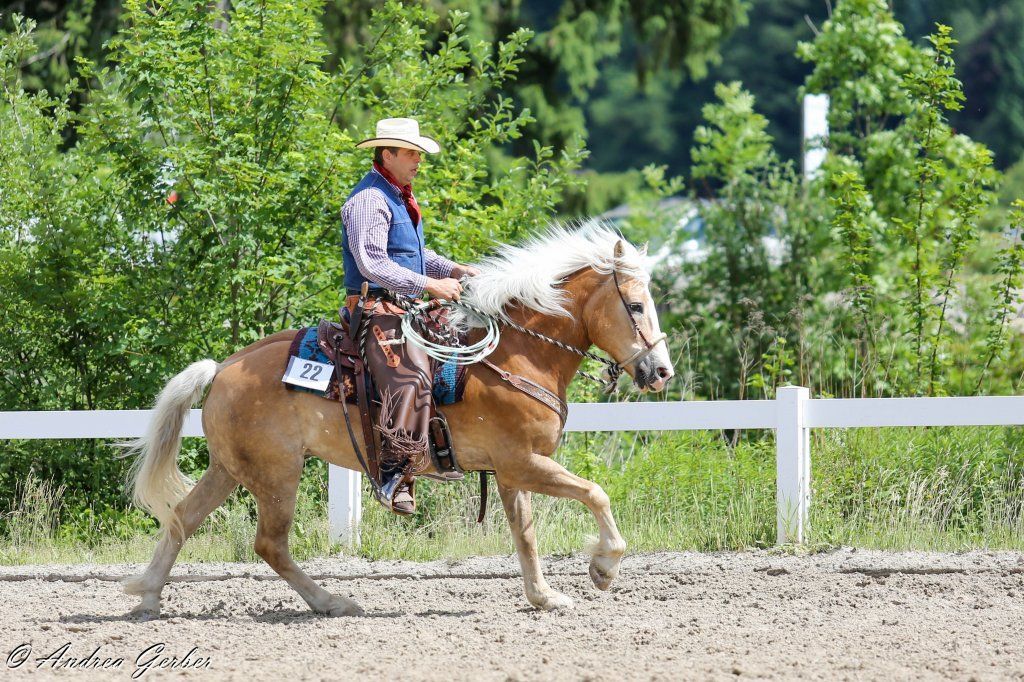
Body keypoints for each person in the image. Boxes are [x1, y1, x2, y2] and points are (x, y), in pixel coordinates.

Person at [341, 117, 478, 515]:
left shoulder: (398, 196)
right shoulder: (369, 199)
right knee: (410, 375)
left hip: (402, 306)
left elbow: (417, 256)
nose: (419, 160)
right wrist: (429, 286)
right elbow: (372, 263)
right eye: (412, 153)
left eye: (419, 153)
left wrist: (455, 270)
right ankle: (394, 472)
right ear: (388, 154)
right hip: (375, 309)